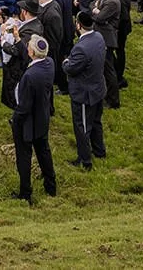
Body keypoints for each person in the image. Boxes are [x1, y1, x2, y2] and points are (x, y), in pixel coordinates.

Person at [10, 33, 56, 204]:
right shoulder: (49, 63)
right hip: (42, 117)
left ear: (31, 53)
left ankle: (25, 192)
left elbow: (24, 107)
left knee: (24, 156)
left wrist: (16, 120)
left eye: (28, 46)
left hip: (27, 121)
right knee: (44, 151)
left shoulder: (30, 76)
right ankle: (51, 186)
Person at [62, 9, 106, 169]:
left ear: (79, 26)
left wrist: (65, 62)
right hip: (98, 88)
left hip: (84, 93)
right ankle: (99, 150)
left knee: (81, 127)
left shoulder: (81, 48)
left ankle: (84, 160)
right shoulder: (99, 37)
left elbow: (70, 68)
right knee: (96, 122)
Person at [90, 0, 126, 107]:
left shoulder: (112, 1)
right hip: (102, 35)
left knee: (108, 69)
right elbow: (92, 5)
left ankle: (113, 100)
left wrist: (97, 11)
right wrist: (96, 9)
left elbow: (99, 17)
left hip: (107, 39)